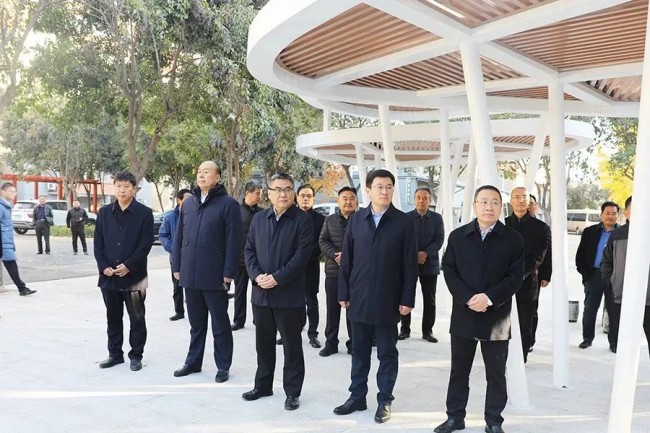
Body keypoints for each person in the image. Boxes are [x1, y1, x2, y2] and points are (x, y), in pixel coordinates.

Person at [434, 185, 524, 433]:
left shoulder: (513, 239)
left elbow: (515, 276)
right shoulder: (458, 236)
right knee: (459, 371)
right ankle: (455, 417)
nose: (488, 207)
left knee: (496, 373)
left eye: (494, 202)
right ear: (474, 205)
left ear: (501, 207)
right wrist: (468, 298)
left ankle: (494, 421)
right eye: (483, 202)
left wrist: (489, 298)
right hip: (464, 313)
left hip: (497, 317)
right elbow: (449, 269)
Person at [333, 169, 417, 424]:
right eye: (379, 186)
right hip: (358, 297)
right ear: (368, 190)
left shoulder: (403, 222)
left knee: (387, 354)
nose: (384, 191)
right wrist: (343, 292)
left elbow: (410, 264)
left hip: (388, 299)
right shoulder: (357, 220)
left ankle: (384, 400)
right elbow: (347, 260)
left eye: (389, 186)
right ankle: (357, 396)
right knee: (358, 352)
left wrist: (407, 299)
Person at [243, 173, 313, 411]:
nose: (283, 194)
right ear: (269, 193)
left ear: (293, 193)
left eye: (288, 189)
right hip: (261, 294)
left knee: (292, 346)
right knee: (263, 344)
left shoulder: (302, 220)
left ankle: (292, 392)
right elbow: (249, 250)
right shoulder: (259, 219)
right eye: (278, 189)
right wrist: (256, 276)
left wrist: (277, 278)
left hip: (289, 296)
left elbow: (302, 256)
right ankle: (263, 386)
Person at [172, 162, 241, 383]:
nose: (201, 175)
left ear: (218, 177)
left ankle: (223, 366)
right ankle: (193, 362)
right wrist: (177, 266)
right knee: (196, 323)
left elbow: (234, 241)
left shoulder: (228, 205)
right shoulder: (188, 204)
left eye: (207, 172)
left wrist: (229, 271)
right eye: (199, 172)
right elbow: (179, 237)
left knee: (220, 324)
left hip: (214, 274)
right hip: (190, 273)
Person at [94, 171, 154, 371]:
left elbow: (145, 245)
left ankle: (136, 355)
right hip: (109, 277)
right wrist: (104, 267)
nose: (122, 190)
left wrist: (129, 265)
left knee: (137, 318)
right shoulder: (104, 213)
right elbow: (98, 244)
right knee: (112, 318)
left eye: (126, 186)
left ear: (134, 189)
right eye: (118, 186)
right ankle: (115, 354)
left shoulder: (144, 214)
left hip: (134, 278)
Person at [504, 187, 549, 362]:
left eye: (524, 197)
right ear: (511, 201)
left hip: (527, 282)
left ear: (529, 201)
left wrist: (519, 274)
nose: (521, 200)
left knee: (525, 323)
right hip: (502, 282)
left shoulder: (541, 228)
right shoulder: (502, 224)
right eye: (517, 197)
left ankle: (520, 358)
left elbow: (538, 256)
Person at [602, 196, 650, 356]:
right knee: (623, 343)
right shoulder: (617, 234)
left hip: (648, 300)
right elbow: (606, 261)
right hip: (621, 298)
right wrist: (612, 281)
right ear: (627, 212)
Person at [399, 186, 444, 343]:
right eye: (418, 197)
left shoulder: (437, 218)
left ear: (430, 200)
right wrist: (415, 255)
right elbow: (403, 240)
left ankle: (427, 331)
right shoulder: (405, 218)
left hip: (430, 264)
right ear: (414, 200)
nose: (421, 200)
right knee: (406, 295)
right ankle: (404, 329)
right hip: (409, 264)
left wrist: (425, 253)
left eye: (425, 198)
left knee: (429, 299)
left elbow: (439, 239)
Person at [318, 186, 358, 356]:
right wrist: (335, 255)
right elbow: (322, 241)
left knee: (353, 310)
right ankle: (331, 343)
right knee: (332, 310)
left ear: (356, 202)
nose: (348, 202)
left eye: (351, 198)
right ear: (338, 201)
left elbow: (367, 243)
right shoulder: (329, 220)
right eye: (344, 198)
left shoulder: (362, 220)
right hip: (333, 272)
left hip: (356, 273)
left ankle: (354, 343)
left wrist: (348, 256)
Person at [575, 201, 620, 350]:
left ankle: (614, 342)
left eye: (614, 213)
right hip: (593, 275)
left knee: (614, 310)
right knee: (590, 309)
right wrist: (586, 275)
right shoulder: (590, 232)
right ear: (601, 215)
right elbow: (580, 255)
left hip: (614, 277)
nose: (610, 216)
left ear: (618, 215)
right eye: (607, 213)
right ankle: (587, 339)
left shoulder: (622, 233)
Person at [232, 180, 263, 330]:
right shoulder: (236, 212)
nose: (259, 197)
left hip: (258, 261)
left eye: (261, 194)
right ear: (247, 193)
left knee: (259, 293)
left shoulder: (263, 213)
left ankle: (259, 321)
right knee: (240, 291)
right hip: (240, 260)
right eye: (257, 193)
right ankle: (239, 321)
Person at [296, 184, 325, 348]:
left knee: (311, 301)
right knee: (294, 301)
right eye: (303, 195)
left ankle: (313, 334)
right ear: (297, 198)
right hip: (291, 267)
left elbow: (320, 243)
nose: (305, 199)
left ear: (313, 199)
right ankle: (293, 331)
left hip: (310, 266)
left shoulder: (321, 220)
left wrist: (303, 256)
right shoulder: (290, 217)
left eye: (309, 196)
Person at [159, 188, 192, 321]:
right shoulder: (170, 217)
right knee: (177, 287)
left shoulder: (195, 214)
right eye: (187, 199)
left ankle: (194, 311)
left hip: (191, 257)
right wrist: (173, 248)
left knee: (191, 286)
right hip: (176, 258)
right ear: (179, 200)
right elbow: (163, 235)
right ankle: (179, 311)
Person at [0, 182, 37, 296]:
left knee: (11, 264)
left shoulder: (6, 206)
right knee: (11, 264)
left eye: (15, 192)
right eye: (11, 191)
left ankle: (22, 288)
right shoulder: (1, 207)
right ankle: (22, 288)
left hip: (6, 242)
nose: (14, 194)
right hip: (3, 243)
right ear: (3, 192)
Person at [527, 194, 551, 352]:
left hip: (534, 275)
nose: (528, 205)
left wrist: (546, 275)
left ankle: (530, 340)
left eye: (531, 203)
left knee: (531, 309)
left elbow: (548, 252)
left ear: (535, 206)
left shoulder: (542, 227)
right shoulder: (507, 223)